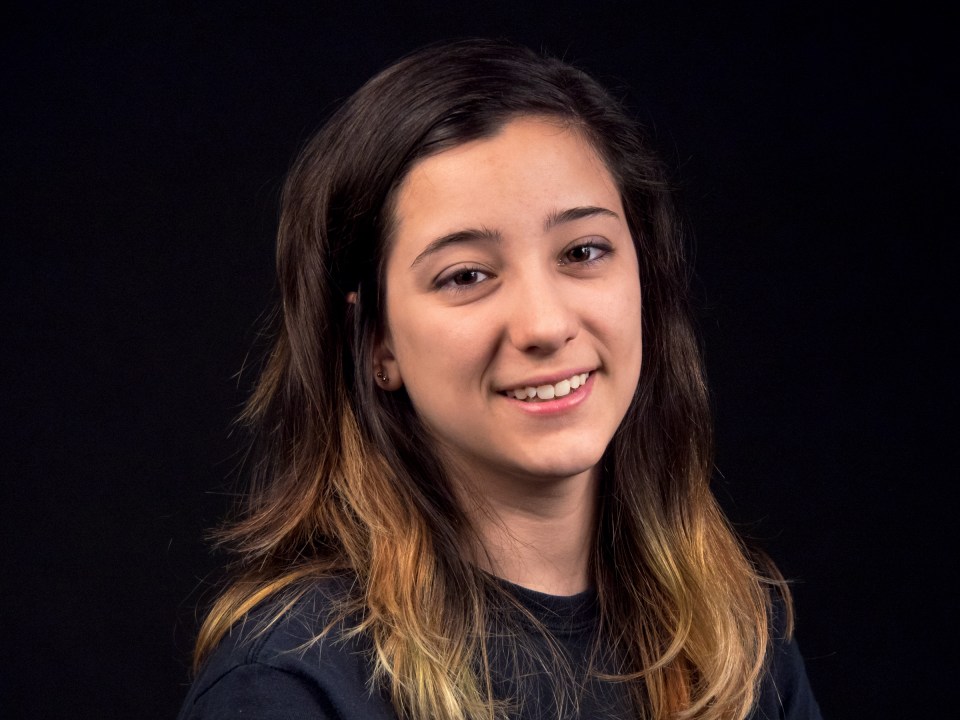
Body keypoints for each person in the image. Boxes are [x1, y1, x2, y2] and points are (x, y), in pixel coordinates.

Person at [178, 39, 822, 720]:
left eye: (583, 251)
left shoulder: (733, 646)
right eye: (467, 275)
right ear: (375, 342)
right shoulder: (289, 686)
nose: (544, 324)